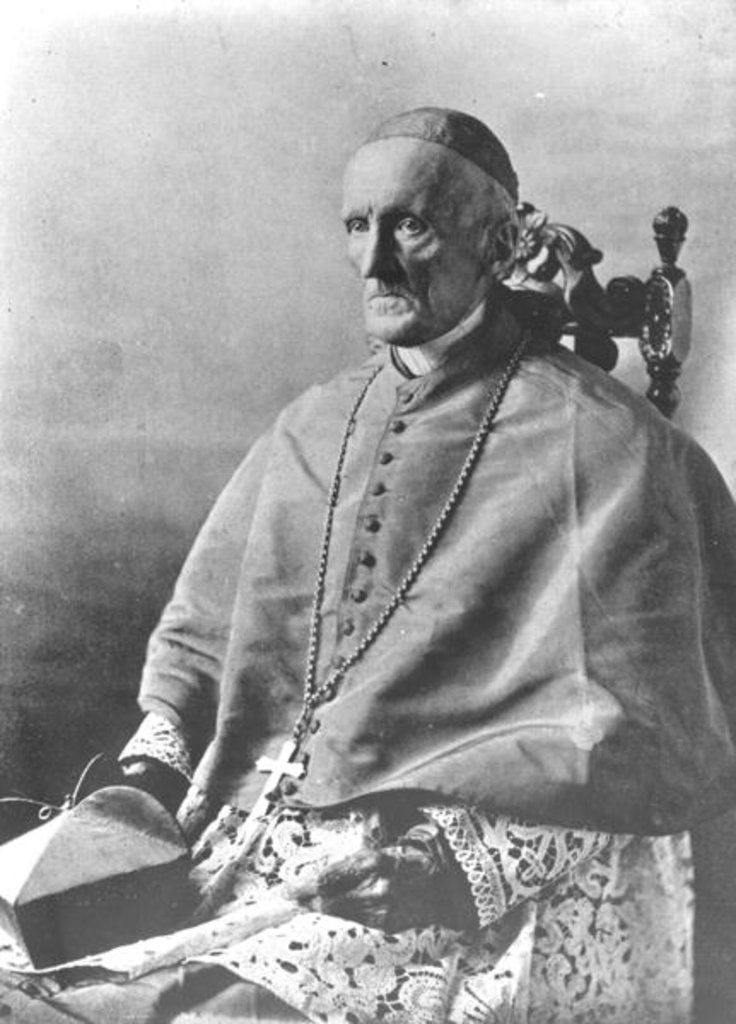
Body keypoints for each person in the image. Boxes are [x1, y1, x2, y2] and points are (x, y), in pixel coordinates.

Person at [3, 106, 736, 1023]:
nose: (375, 263)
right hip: (249, 825)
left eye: (412, 225)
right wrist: (146, 780)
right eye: (359, 225)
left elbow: (639, 735)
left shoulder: (618, 452)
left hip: (474, 864)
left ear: (500, 242)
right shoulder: (312, 424)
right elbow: (202, 639)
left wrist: (456, 870)